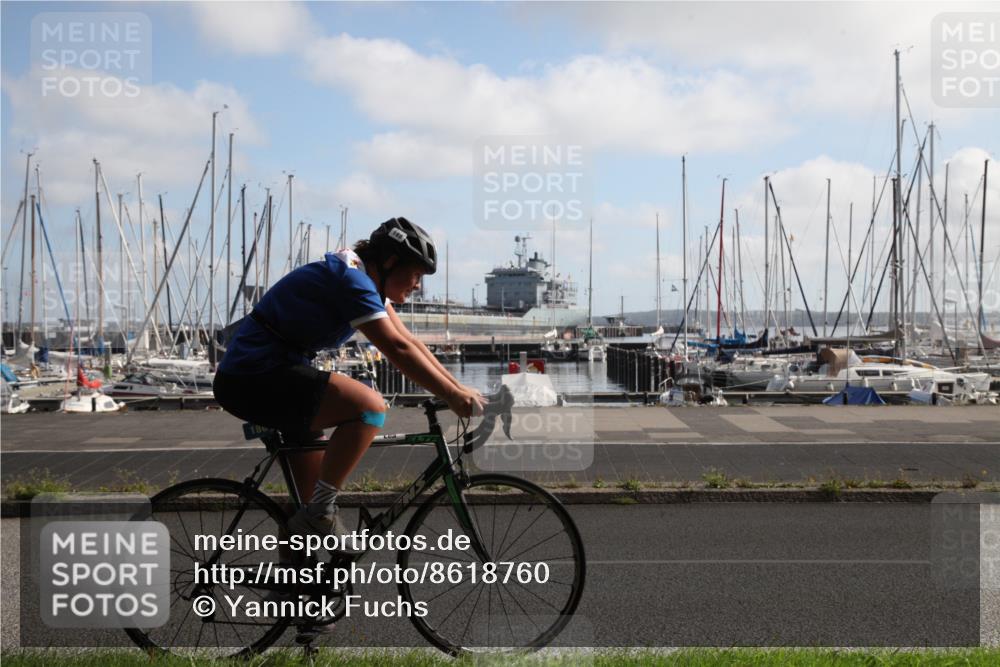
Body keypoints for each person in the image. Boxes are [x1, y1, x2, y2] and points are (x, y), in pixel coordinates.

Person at [214, 217, 486, 538]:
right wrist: (453, 397)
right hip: (254, 374)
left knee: (305, 502)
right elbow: (396, 348)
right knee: (370, 408)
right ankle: (321, 512)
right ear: (389, 262)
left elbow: (410, 342)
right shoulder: (351, 280)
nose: (417, 285)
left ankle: (292, 585)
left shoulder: (366, 283)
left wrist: (457, 388)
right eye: (415, 275)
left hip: (274, 371)